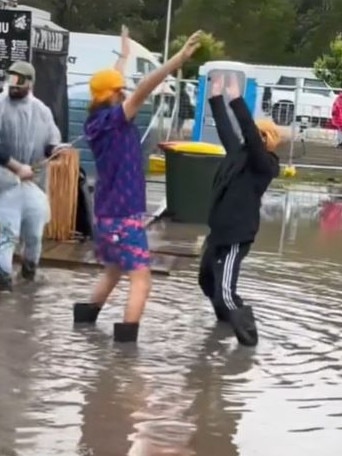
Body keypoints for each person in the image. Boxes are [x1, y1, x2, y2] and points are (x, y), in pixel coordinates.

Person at [73, 29, 202, 343]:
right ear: (116, 96)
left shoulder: (96, 119)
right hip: (123, 214)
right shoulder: (116, 119)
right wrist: (177, 60)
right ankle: (125, 352)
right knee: (142, 281)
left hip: (106, 216)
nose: (126, 90)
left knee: (114, 270)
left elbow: (112, 81)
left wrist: (125, 54)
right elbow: (146, 86)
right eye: (122, 90)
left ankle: (84, 324)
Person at [198, 73, 283, 347]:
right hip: (218, 232)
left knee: (226, 291)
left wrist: (236, 99)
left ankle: (248, 342)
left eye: (257, 135)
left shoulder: (263, 164)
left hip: (236, 236)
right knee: (206, 280)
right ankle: (225, 322)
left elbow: (247, 130)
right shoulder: (239, 154)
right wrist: (214, 97)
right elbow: (226, 129)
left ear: (264, 139)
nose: (250, 137)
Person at [0, 61, 61, 292]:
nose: (13, 86)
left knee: (34, 236)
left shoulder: (41, 111)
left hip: (33, 185)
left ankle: (29, 277)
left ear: (30, 83)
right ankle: (4, 284)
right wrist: (16, 167)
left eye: (19, 81)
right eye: (11, 80)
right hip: (3, 185)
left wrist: (54, 150)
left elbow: (51, 142)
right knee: (6, 236)